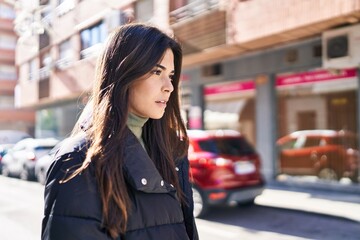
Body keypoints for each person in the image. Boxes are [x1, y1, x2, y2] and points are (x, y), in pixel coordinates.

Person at [41, 23, 199, 240]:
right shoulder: (78, 161)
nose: (169, 86)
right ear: (124, 73)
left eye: (170, 75)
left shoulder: (173, 152)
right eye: (156, 71)